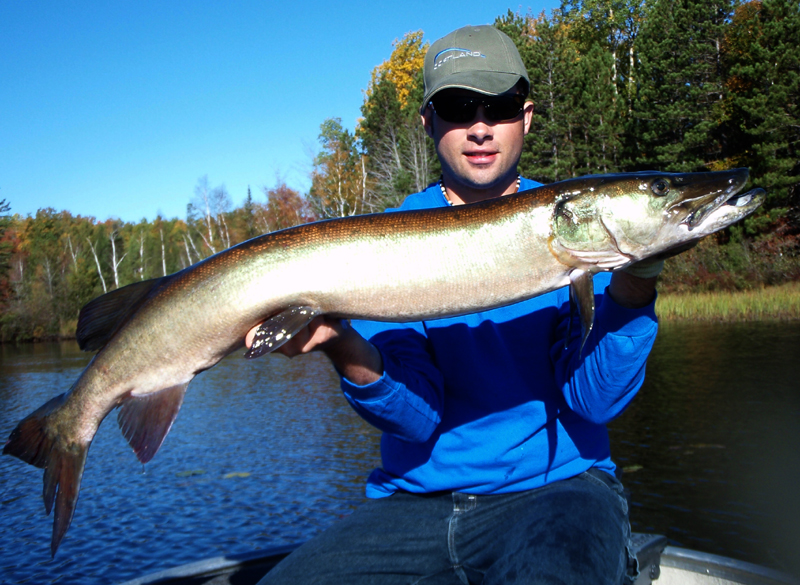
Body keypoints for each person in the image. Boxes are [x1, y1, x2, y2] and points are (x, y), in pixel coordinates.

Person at [253, 24, 660, 585]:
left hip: (562, 490)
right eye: (458, 107)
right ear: (428, 122)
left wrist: (636, 286)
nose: (480, 127)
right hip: (413, 504)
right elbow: (415, 417)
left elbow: (594, 401)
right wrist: (340, 343)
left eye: (501, 106)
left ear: (527, 116)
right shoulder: (383, 243)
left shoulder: (576, 227)